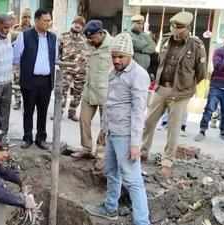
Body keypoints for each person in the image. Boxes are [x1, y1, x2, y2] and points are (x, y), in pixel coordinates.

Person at [85, 33, 151, 225]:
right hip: (113, 132)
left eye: (120, 57)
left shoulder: (139, 75)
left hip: (126, 135)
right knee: (112, 172)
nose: (116, 60)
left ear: (130, 55)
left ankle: (142, 221)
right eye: (114, 56)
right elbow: (110, 103)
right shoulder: (114, 73)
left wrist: (135, 144)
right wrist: (104, 130)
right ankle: (110, 208)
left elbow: (139, 113)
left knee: (133, 180)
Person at [140, 12, 207, 177]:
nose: (176, 30)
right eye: (173, 26)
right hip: (161, 88)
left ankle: (167, 160)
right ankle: (142, 151)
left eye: (180, 27)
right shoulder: (165, 41)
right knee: (149, 121)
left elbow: (201, 73)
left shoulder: (196, 46)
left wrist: (187, 88)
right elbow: (159, 63)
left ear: (188, 28)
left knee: (173, 128)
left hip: (180, 92)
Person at [13, 9, 58, 150]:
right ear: (37, 20)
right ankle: (27, 138)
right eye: (45, 20)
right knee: (28, 110)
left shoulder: (53, 38)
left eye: (49, 20)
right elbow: (16, 58)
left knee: (43, 111)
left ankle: (41, 138)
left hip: (46, 81)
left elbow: (55, 58)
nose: (48, 23)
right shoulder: (24, 36)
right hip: (30, 80)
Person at [71, 20, 113, 159]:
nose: (90, 40)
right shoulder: (88, 44)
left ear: (101, 33)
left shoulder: (113, 46)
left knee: (105, 124)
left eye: (93, 37)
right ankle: (86, 148)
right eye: (88, 38)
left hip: (106, 92)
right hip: (89, 90)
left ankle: (101, 150)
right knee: (84, 119)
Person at [58, 16, 88, 122]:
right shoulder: (63, 37)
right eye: (76, 22)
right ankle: (59, 112)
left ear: (83, 27)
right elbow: (58, 52)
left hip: (81, 71)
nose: (78, 25)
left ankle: (72, 112)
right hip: (66, 70)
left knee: (78, 93)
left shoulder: (85, 39)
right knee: (62, 91)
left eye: (80, 24)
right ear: (72, 23)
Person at [11, 8, 33, 110]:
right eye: (25, 17)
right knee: (17, 80)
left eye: (29, 17)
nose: (27, 19)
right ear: (21, 18)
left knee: (29, 82)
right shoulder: (15, 30)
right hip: (17, 61)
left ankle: (27, 101)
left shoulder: (34, 30)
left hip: (30, 61)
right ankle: (17, 101)